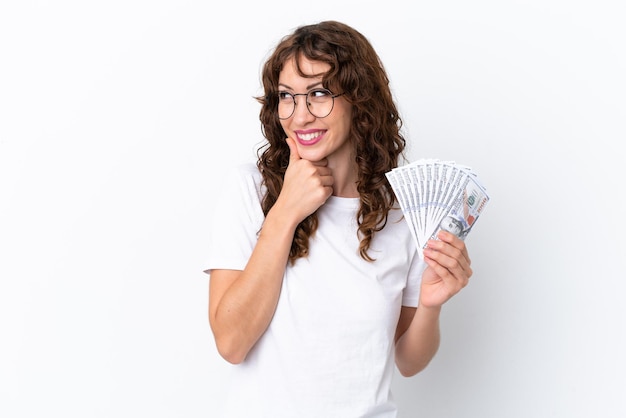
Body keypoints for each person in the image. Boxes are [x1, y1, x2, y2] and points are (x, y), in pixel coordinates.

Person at [205, 20, 473, 417]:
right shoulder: (252, 190)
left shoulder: (403, 212)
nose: (299, 116)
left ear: (359, 101)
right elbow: (231, 342)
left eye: (318, 93)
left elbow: (408, 360)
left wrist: (431, 302)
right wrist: (286, 212)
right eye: (286, 96)